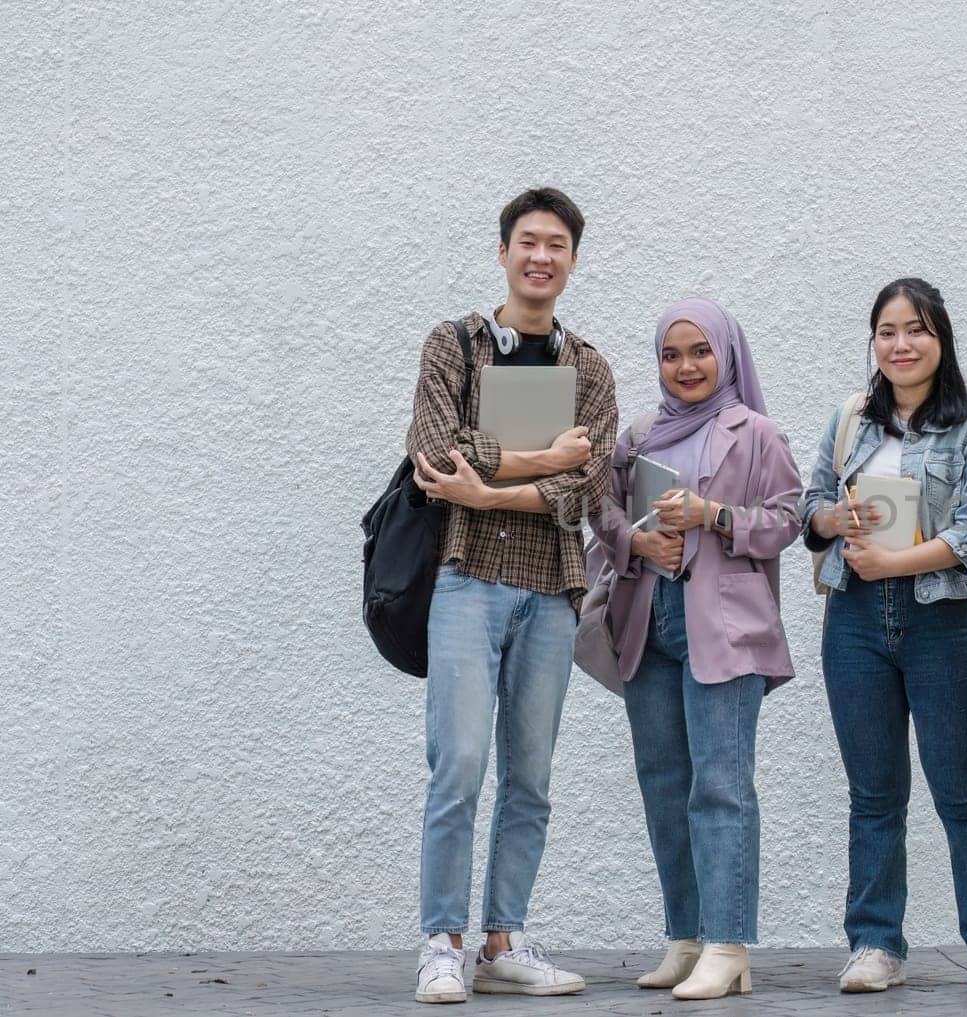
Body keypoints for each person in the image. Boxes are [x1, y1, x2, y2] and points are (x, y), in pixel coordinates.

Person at [404, 187, 618, 1004]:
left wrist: (488, 485)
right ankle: (441, 941)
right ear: (503, 252)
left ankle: (504, 937)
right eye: (527, 241)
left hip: (553, 593)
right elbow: (433, 453)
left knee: (530, 775)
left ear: (571, 258)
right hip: (466, 581)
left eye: (557, 244)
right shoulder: (454, 346)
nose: (541, 256)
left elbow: (589, 486)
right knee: (457, 764)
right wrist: (540, 455)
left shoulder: (589, 366)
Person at [800, 278, 967, 994]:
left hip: (942, 620)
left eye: (917, 330)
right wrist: (835, 521)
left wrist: (896, 558)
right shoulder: (850, 419)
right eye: (888, 330)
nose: (901, 343)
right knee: (874, 794)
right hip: (856, 619)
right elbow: (806, 507)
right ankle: (874, 942)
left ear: (941, 340)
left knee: (962, 790)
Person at [588, 298, 802, 1000]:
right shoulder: (640, 433)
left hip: (726, 627)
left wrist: (714, 517)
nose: (686, 366)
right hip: (648, 619)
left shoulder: (756, 430)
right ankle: (685, 934)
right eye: (671, 354)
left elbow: (787, 516)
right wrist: (636, 541)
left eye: (700, 351)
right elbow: (605, 508)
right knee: (664, 784)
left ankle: (728, 941)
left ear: (727, 354)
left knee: (721, 785)